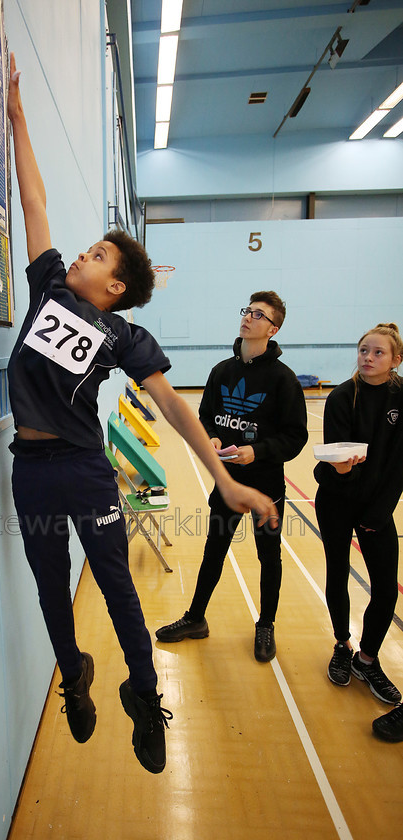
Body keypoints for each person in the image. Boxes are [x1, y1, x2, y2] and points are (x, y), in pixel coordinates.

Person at [6, 54, 278, 774]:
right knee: (45, 581)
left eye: (95, 254)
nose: (81, 255)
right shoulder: (46, 293)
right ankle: (75, 673)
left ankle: (143, 691)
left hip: (84, 470)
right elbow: (33, 206)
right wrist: (15, 114)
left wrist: (221, 479)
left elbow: (172, 407)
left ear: (115, 285)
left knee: (118, 586)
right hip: (28, 469)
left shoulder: (126, 337)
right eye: (86, 248)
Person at [156, 294, 308, 661]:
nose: (248, 318)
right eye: (247, 311)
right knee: (214, 550)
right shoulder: (222, 371)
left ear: (272, 329)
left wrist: (258, 451)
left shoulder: (284, 380)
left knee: (268, 556)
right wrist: (211, 436)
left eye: (259, 315)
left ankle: (266, 624)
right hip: (226, 481)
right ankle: (195, 618)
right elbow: (206, 415)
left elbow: (296, 436)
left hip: (265, 485)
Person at [314, 323, 403, 732]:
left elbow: (398, 466)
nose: (367, 357)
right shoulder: (339, 397)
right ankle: (341, 644)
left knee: (385, 589)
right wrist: (344, 472)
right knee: (337, 574)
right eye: (363, 350)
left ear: (395, 360)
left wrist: (378, 515)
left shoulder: (401, 399)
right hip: (336, 500)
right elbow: (334, 460)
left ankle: (367, 659)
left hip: (377, 510)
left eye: (378, 352)